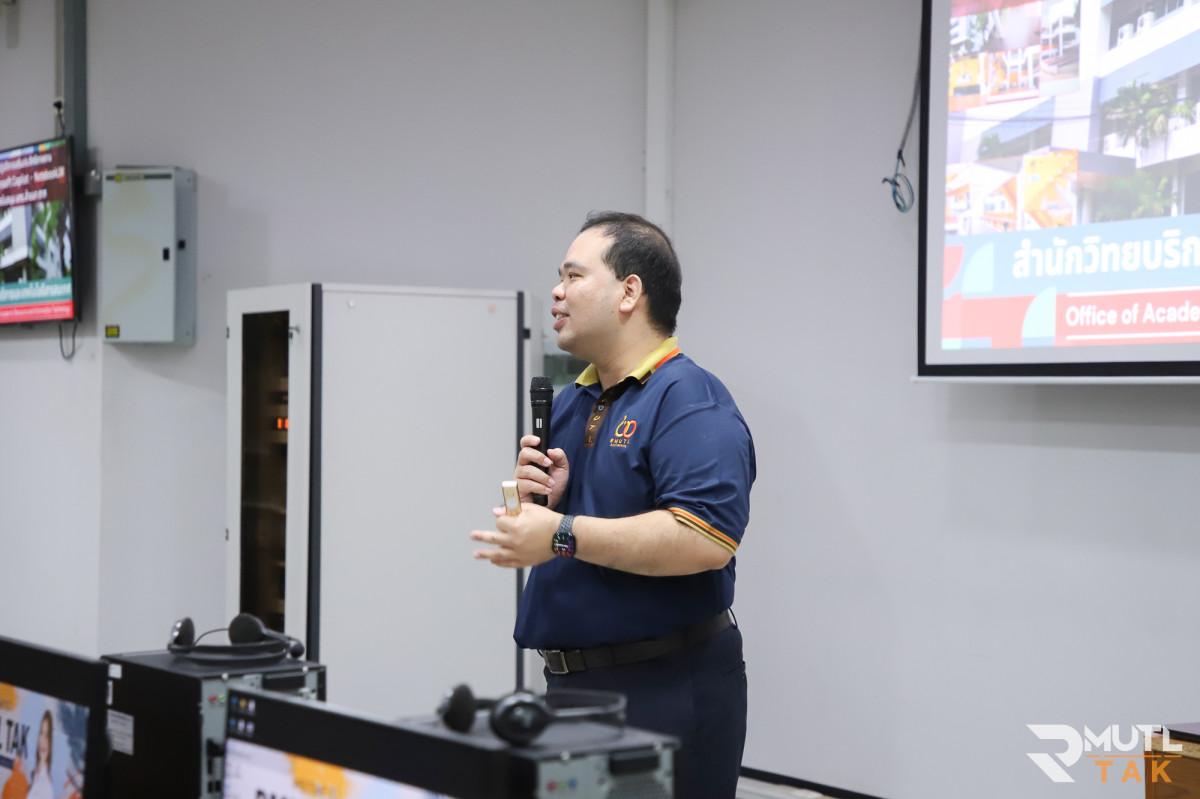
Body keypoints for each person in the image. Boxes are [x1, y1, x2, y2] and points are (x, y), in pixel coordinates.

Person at [470, 211, 755, 798]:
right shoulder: (574, 400)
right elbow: (581, 524)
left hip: (663, 688)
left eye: (573, 276)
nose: (557, 292)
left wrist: (561, 531)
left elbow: (704, 540)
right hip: (572, 686)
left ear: (629, 292)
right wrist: (545, 505)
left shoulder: (688, 398)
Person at [27, 710, 53, 799]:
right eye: (41, 733)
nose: (43, 740)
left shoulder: (46, 786)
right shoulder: (35, 774)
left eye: (47, 735)